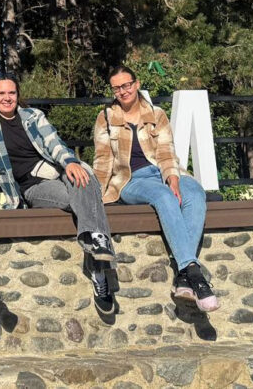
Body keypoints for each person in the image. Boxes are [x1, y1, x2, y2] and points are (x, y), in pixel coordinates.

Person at [0, 75, 117, 315]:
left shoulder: (33, 116)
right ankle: (99, 268)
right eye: (1, 93)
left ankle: (98, 245)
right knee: (80, 198)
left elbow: (54, 143)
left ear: (18, 95)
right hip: (34, 185)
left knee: (84, 176)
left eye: (11, 93)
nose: (7, 98)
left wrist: (70, 162)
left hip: (57, 171)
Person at [93, 65, 218, 312]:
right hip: (130, 180)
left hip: (163, 172)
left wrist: (173, 178)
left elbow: (166, 151)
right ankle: (194, 272)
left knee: (194, 192)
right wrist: (95, 194)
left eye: (126, 85)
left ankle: (183, 278)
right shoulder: (105, 118)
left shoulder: (156, 114)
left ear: (136, 84)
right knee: (164, 196)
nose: (122, 91)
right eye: (116, 88)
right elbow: (103, 160)